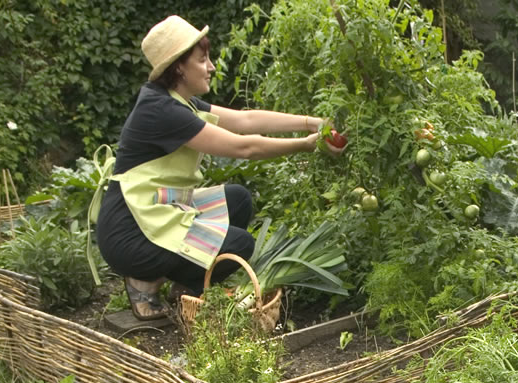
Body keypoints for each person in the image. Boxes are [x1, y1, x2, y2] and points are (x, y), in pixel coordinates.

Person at [94, 15, 345, 321]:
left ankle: (184, 287)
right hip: (129, 231)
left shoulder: (178, 101)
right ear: (178, 67)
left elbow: (245, 120)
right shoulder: (160, 110)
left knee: (237, 200)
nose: (211, 67)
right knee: (239, 245)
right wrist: (307, 144)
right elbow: (244, 146)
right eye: (203, 60)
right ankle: (144, 280)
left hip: (155, 209)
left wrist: (314, 123)